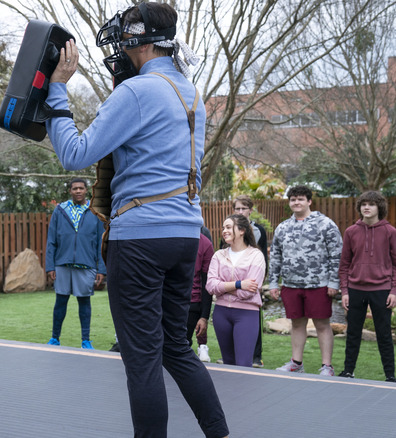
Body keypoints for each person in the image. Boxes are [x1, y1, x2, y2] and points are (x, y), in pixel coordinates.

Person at [45, 3, 229, 437]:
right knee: (176, 350)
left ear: (140, 40)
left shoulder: (137, 92)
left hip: (141, 238)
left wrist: (57, 89)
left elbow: (74, 153)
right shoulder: (190, 92)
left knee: (142, 357)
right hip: (186, 235)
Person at [269, 185, 341, 376]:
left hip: (318, 284)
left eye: (300, 199)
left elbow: (337, 255)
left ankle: (327, 366)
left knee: (322, 325)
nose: (296, 202)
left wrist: (334, 282)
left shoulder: (325, 224)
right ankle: (296, 363)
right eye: (293, 199)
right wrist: (274, 283)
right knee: (297, 324)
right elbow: (275, 257)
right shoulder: (283, 227)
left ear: (309, 201)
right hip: (291, 285)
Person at [338, 191, 396, 381]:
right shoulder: (351, 232)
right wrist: (345, 291)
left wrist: (394, 291)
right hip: (355, 289)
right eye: (363, 204)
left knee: (384, 334)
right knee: (353, 333)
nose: (367, 207)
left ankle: (390, 376)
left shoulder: (390, 232)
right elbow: (344, 264)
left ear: (379, 207)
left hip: (382, 289)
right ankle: (348, 371)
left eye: (371, 204)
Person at [45, 178, 106, 349]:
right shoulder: (60, 210)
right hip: (62, 264)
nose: (78, 191)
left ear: (86, 190)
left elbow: (101, 242)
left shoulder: (94, 212)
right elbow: (51, 241)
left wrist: (101, 268)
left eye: (81, 188)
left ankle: (86, 340)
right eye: (74, 188)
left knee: (84, 302)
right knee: (60, 301)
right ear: (70, 191)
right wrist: (50, 266)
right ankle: (54, 338)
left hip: (86, 264)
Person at [206, 215, 266, 367]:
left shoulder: (256, 255)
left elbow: (249, 292)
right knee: (228, 363)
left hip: (247, 314)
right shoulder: (219, 255)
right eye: (223, 228)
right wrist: (239, 284)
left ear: (242, 231)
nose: (224, 231)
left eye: (228, 227)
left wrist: (223, 287)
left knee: (243, 364)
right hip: (221, 314)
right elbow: (210, 286)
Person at [231, 194, 268, 367]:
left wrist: (259, 283)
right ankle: (231, 355)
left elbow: (263, 258)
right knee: (231, 318)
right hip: (232, 283)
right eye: (237, 208)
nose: (240, 211)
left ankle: (256, 357)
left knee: (253, 318)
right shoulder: (228, 229)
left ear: (250, 210)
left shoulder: (259, 230)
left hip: (252, 280)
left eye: (243, 208)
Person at [188, 227, 214, 362]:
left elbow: (206, 283)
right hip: (167, 302)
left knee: (180, 345)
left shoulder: (204, 243)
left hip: (192, 303)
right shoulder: (169, 237)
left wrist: (204, 316)